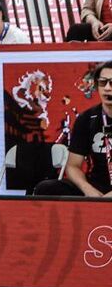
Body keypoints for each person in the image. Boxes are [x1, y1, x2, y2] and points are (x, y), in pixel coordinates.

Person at [32, 61, 112, 197]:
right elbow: (73, 166)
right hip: (96, 186)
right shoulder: (87, 118)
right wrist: (87, 189)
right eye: (103, 83)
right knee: (46, 188)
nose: (107, 88)